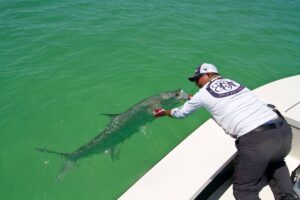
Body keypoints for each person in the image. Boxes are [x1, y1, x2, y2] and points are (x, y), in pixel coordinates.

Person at [153, 63, 299, 200]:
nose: (196, 83)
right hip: (282, 131)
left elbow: (180, 113)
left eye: (197, 79)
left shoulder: (202, 94)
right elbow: (223, 97)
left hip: (257, 140)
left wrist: (164, 112)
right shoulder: (234, 83)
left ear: (209, 74)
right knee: (275, 162)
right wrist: (195, 98)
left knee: (244, 190)